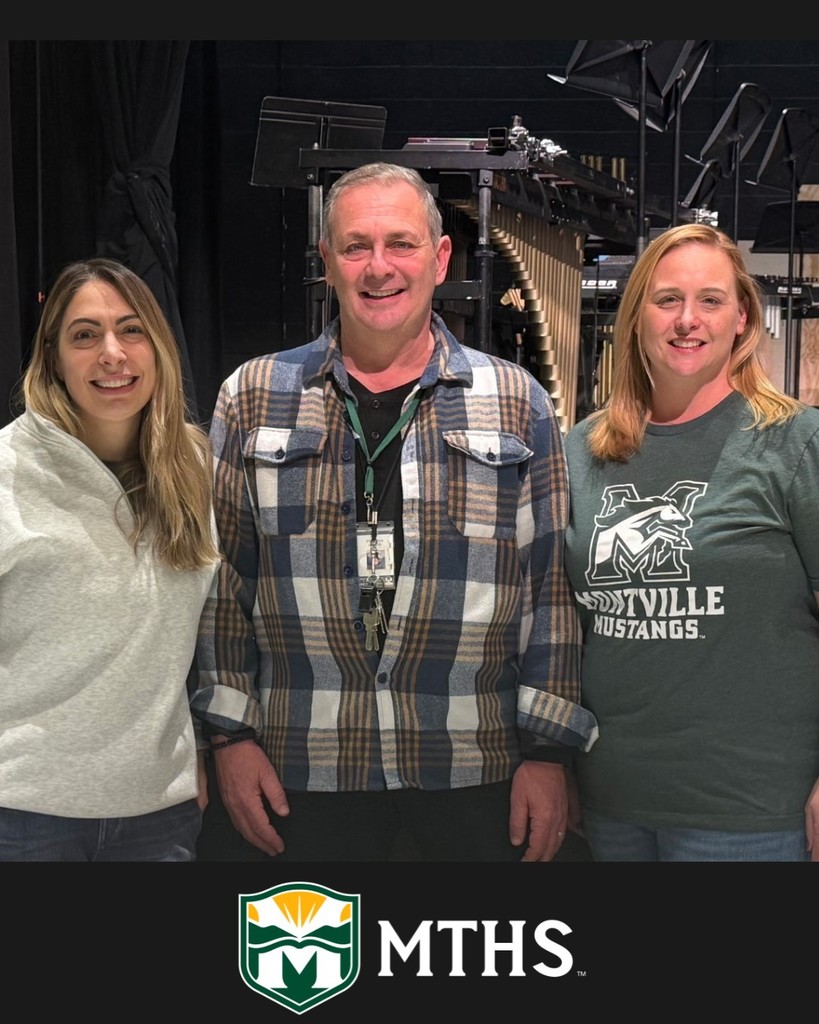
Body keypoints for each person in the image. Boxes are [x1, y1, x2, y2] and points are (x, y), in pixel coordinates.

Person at [192, 161, 598, 862]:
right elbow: (223, 583)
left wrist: (548, 751)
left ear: (440, 258)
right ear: (327, 262)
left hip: (475, 768)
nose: (378, 267)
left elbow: (547, 593)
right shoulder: (253, 395)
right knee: (309, 972)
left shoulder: (513, 398)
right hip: (301, 770)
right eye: (355, 246)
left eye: (400, 243)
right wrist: (228, 737)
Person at [563, 222, 819, 862]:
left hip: (751, 807)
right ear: (637, 316)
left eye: (710, 300)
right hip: (612, 800)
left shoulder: (794, 441)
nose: (687, 320)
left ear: (741, 318)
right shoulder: (582, 450)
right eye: (666, 298)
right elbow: (563, 625)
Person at [0, 258, 220, 861]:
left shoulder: (195, 470)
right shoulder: (6, 471)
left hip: (158, 816)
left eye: (131, 330)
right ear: (52, 357)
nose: (112, 353)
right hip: (22, 818)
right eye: (85, 334)